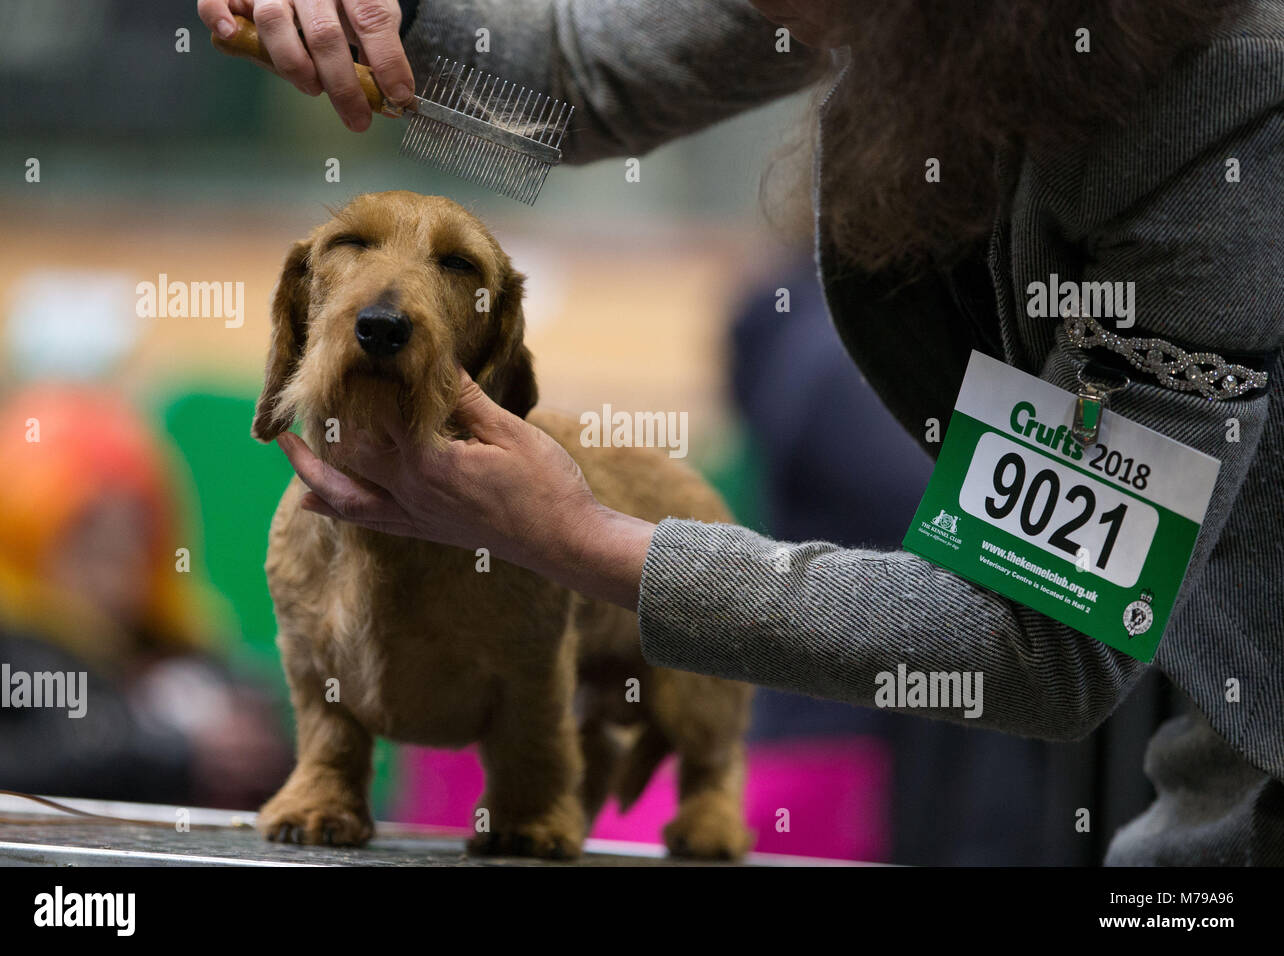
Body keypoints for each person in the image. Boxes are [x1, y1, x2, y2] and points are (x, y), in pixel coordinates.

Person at [198, 0, 1284, 864]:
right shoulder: (910, 16)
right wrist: (371, 23)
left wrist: (584, 539)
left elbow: (1040, 633)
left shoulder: (1227, 97)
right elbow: (579, 86)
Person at [0, 386, 292, 809]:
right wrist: (173, 756)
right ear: (21, 541)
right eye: (86, 542)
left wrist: (258, 748)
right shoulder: (3, 649)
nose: (118, 573)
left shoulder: (182, 646)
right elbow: (10, 768)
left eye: (135, 539)